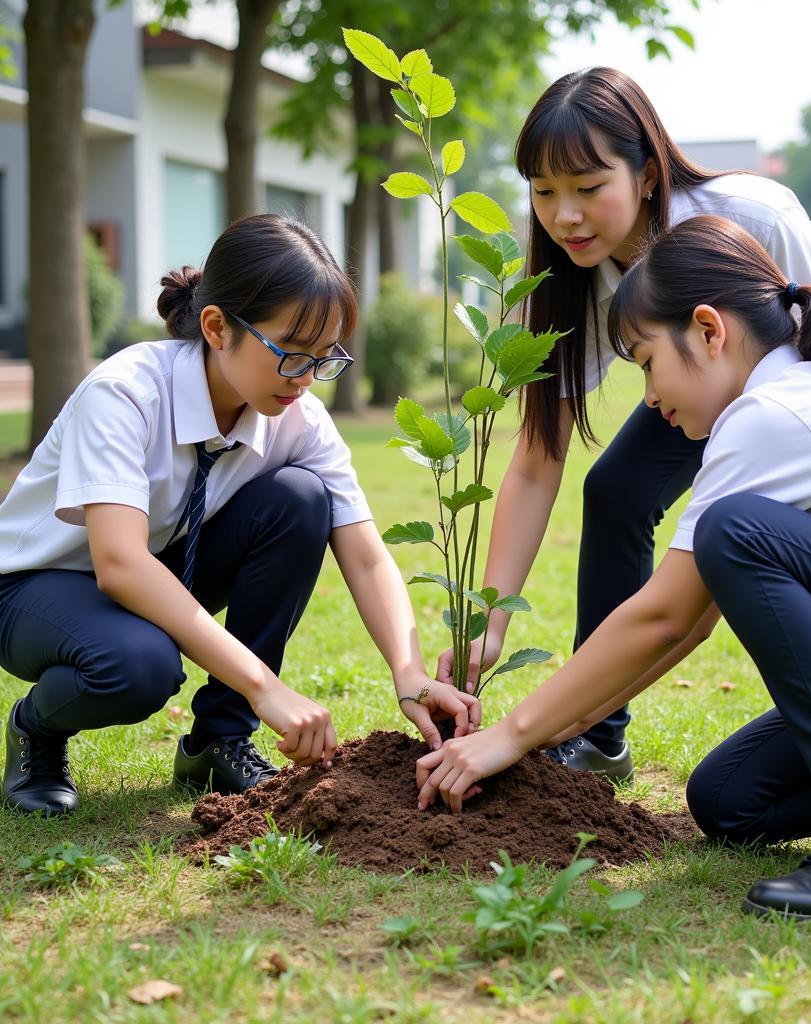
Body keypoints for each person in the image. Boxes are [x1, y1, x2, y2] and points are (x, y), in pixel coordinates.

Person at [416, 214, 811, 918]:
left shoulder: (774, 413)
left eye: (646, 361)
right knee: (731, 798)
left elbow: (664, 616)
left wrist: (509, 735)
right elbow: (690, 624)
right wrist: (544, 736)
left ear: (709, 330)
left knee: (736, 532)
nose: (647, 395)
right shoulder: (789, 395)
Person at [437, 67, 811, 781]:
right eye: (544, 192)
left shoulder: (750, 218)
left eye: (589, 188)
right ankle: (598, 739)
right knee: (617, 491)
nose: (565, 216)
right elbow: (538, 459)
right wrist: (490, 622)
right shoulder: (564, 282)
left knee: (770, 541)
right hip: (701, 368)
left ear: (649, 174)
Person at [1, 213, 479, 817]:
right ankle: (35, 731)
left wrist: (410, 674)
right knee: (139, 665)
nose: (306, 380)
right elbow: (119, 563)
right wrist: (266, 688)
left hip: (159, 565)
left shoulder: (296, 416)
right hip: (33, 587)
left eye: (323, 359)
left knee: (301, 500)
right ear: (217, 326)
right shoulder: (126, 393)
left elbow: (363, 551)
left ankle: (217, 741)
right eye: (291, 354)